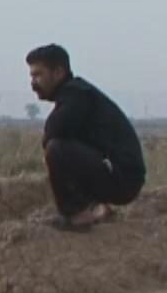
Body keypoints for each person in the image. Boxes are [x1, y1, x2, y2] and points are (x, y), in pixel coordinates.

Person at [25, 44, 145, 229]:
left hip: (123, 178)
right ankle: (97, 207)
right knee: (63, 149)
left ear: (58, 72)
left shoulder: (76, 95)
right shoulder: (76, 94)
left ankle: (76, 214)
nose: (33, 82)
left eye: (38, 75)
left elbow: (52, 132)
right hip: (124, 176)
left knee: (57, 150)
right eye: (31, 76)